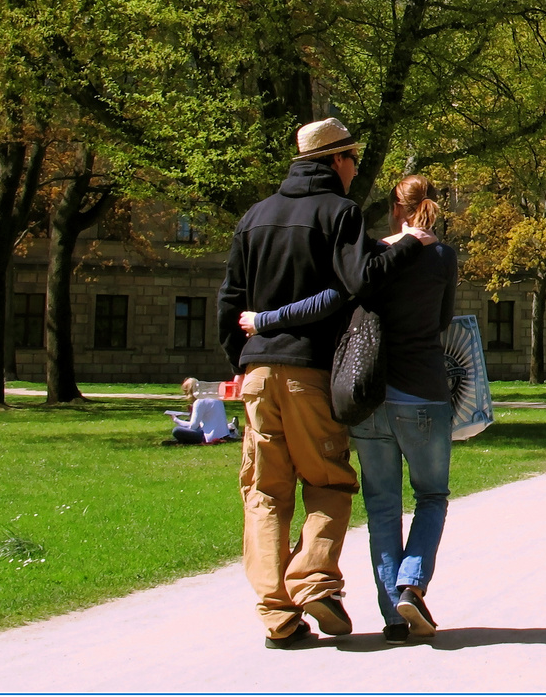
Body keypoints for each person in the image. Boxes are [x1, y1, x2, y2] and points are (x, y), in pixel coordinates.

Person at [217, 117, 428, 650]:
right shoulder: (340, 213)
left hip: (258, 372)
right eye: (352, 159)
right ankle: (313, 580)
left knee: (264, 492)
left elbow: (229, 302)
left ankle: (279, 618)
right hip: (311, 373)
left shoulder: (254, 217)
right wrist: (407, 245)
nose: (355, 169)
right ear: (335, 160)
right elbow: (360, 280)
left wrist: (240, 362)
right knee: (328, 482)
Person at [242, 174, 459, 645]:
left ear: (394, 210)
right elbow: (442, 321)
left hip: (370, 397)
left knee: (382, 507)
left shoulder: (368, 258)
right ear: (429, 208)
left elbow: (334, 302)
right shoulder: (441, 257)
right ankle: (410, 584)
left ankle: (394, 618)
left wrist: (264, 321)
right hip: (422, 393)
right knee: (431, 497)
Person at [166, 378, 236, 444]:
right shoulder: (215, 397)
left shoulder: (199, 402)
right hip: (223, 433)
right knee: (187, 422)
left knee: (177, 430)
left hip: (209, 436)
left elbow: (193, 426)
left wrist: (176, 420)